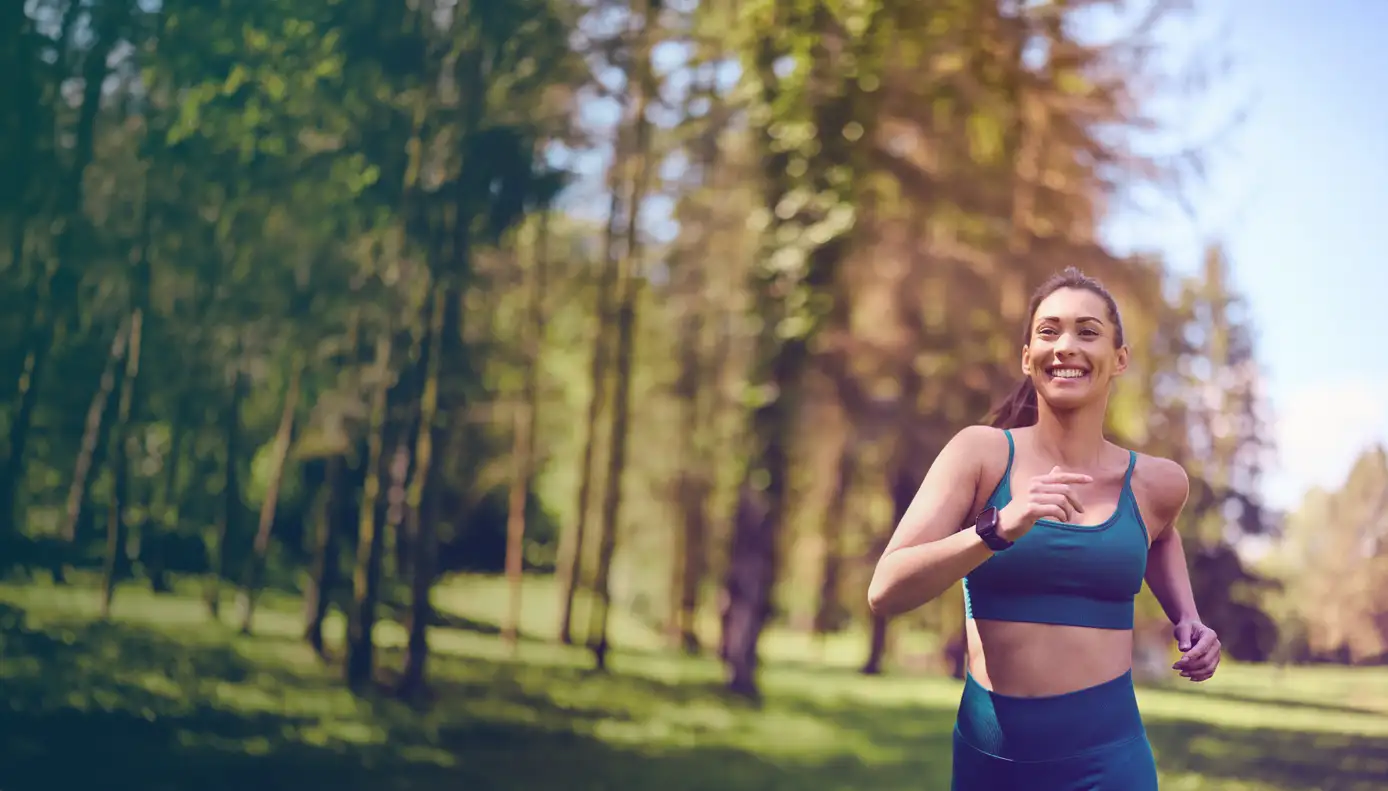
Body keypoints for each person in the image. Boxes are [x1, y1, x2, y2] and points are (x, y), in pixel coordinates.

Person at [866, 267, 1221, 790]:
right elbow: (885, 591)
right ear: (1027, 357)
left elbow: (1160, 535)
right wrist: (997, 528)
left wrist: (1188, 618)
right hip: (993, 765)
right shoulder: (981, 455)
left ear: (1119, 359)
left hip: (1109, 764)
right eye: (1049, 332)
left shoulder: (1157, 483)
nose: (1066, 346)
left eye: (1088, 331)